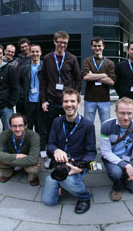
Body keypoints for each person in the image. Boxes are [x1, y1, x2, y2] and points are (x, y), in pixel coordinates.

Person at [41, 89, 95, 214]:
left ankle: (85, 197)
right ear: (62, 104)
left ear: (79, 104)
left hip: (78, 163)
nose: (69, 104)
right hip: (60, 164)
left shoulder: (88, 125)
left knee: (68, 181)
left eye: (72, 101)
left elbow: (91, 152)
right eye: (66, 101)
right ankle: (63, 185)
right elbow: (50, 144)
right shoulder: (56, 122)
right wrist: (56, 150)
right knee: (48, 201)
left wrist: (81, 167)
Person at [40, 31, 81, 166]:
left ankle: (67, 155)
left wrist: (74, 98)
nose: (62, 45)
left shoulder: (72, 58)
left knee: (67, 129)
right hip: (51, 100)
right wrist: (44, 100)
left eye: (65, 43)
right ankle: (52, 156)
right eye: (59, 42)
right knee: (51, 129)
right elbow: (43, 81)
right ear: (54, 42)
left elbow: (78, 80)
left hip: (66, 102)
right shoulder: (47, 58)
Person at [99, 97, 133, 201]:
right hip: (113, 159)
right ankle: (117, 186)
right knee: (116, 172)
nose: (125, 117)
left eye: (129, 113)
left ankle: (125, 175)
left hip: (130, 160)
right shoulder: (106, 126)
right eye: (122, 113)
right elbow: (105, 152)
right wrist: (126, 166)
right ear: (115, 112)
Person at [0, 114, 41, 186]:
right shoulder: (5, 134)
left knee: (34, 168)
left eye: (20, 125)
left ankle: (32, 178)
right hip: (15, 156)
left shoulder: (34, 136)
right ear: (10, 127)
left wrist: (10, 163)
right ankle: (9, 173)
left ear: (25, 126)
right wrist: (17, 156)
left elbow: (33, 159)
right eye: (14, 126)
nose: (17, 129)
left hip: (27, 159)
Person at [81, 37, 116, 124]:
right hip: (89, 99)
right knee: (88, 125)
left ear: (103, 46)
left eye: (99, 46)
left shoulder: (109, 63)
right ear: (91, 47)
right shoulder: (87, 61)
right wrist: (103, 75)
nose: (97, 48)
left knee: (106, 125)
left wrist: (92, 75)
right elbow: (85, 77)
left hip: (104, 100)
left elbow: (111, 81)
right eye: (95, 46)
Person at [21, 44, 45, 140]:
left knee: (41, 127)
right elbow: (20, 83)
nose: (35, 54)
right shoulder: (24, 68)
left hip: (41, 102)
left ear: (40, 53)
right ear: (30, 53)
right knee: (28, 127)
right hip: (28, 102)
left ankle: (40, 147)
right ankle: (29, 147)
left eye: (37, 51)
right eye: (33, 52)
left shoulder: (45, 67)